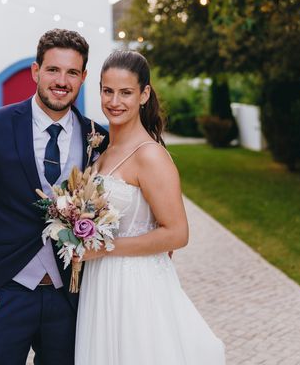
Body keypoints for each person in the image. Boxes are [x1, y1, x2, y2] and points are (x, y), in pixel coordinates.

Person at [0, 29, 108, 365]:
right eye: (53, 70)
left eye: (72, 72)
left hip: (71, 297)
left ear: (83, 77)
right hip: (1, 293)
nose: (61, 80)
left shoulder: (99, 138)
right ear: (36, 71)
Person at [74, 50, 225, 364]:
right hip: (101, 283)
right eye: (107, 91)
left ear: (144, 95)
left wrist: (105, 248)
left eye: (126, 92)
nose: (115, 101)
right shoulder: (103, 150)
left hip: (136, 286)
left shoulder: (150, 155)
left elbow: (178, 234)